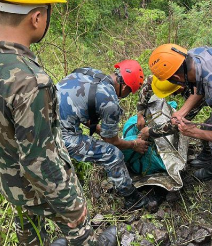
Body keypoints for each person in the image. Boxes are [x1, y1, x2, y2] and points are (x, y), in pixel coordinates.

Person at [0, 0, 116, 246]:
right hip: (39, 185)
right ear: (37, 17)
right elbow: (37, 160)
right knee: (78, 231)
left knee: (29, 231)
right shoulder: (32, 81)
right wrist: (74, 207)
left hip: (4, 176)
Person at [56, 60, 157, 211]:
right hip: (58, 135)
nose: (125, 96)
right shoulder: (110, 103)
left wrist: (102, 131)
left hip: (41, 118)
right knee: (112, 154)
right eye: (129, 92)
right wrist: (134, 144)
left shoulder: (88, 72)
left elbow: (81, 109)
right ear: (124, 86)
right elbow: (112, 141)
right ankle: (133, 199)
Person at [148, 44, 212, 181]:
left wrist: (195, 133)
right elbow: (200, 84)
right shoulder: (192, 56)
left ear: (178, 79)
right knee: (209, 126)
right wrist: (182, 112)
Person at [136, 76, 210, 168]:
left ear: (181, 86)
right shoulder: (169, 74)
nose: (172, 95)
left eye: (174, 93)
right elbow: (148, 81)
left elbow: (177, 124)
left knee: (209, 128)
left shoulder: (197, 92)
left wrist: (149, 132)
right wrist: (140, 112)